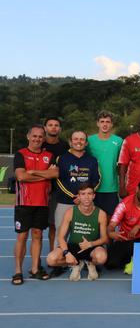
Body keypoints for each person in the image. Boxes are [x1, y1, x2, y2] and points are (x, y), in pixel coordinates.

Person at [12, 125, 54, 284]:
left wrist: (33, 173)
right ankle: (18, 271)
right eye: (34, 136)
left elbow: (55, 173)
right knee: (22, 236)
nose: (37, 139)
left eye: (40, 136)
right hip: (24, 202)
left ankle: (35, 268)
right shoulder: (20, 154)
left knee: (38, 235)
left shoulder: (49, 155)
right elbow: (21, 177)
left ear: (44, 138)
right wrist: (44, 177)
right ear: (28, 136)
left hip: (43, 202)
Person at [46, 184, 108, 281]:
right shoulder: (70, 212)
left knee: (102, 257)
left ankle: (90, 264)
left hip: (91, 247)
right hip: (73, 246)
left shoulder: (101, 214)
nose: (86, 197)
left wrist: (90, 244)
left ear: (93, 196)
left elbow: (105, 238)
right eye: (83, 194)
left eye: (89, 194)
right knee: (51, 259)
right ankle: (76, 264)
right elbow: (61, 237)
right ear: (78, 196)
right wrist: (67, 254)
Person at [42, 117, 69, 257]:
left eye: (56, 125)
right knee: (38, 228)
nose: (53, 127)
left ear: (60, 128)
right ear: (45, 128)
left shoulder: (65, 146)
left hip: (58, 191)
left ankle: (55, 255)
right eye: (50, 125)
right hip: (40, 190)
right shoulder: (39, 144)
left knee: (55, 225)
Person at [87, 110, 123, 217]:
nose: (105, 124)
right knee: (92, 220)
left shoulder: (119, 141)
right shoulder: (89, 140)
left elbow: (122, 164)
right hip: (92, 187)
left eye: (107, 122)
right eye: (102, 121)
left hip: (111, 187)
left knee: (109, 220)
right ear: (97, 123)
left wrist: (122, 184)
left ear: (111, 124)